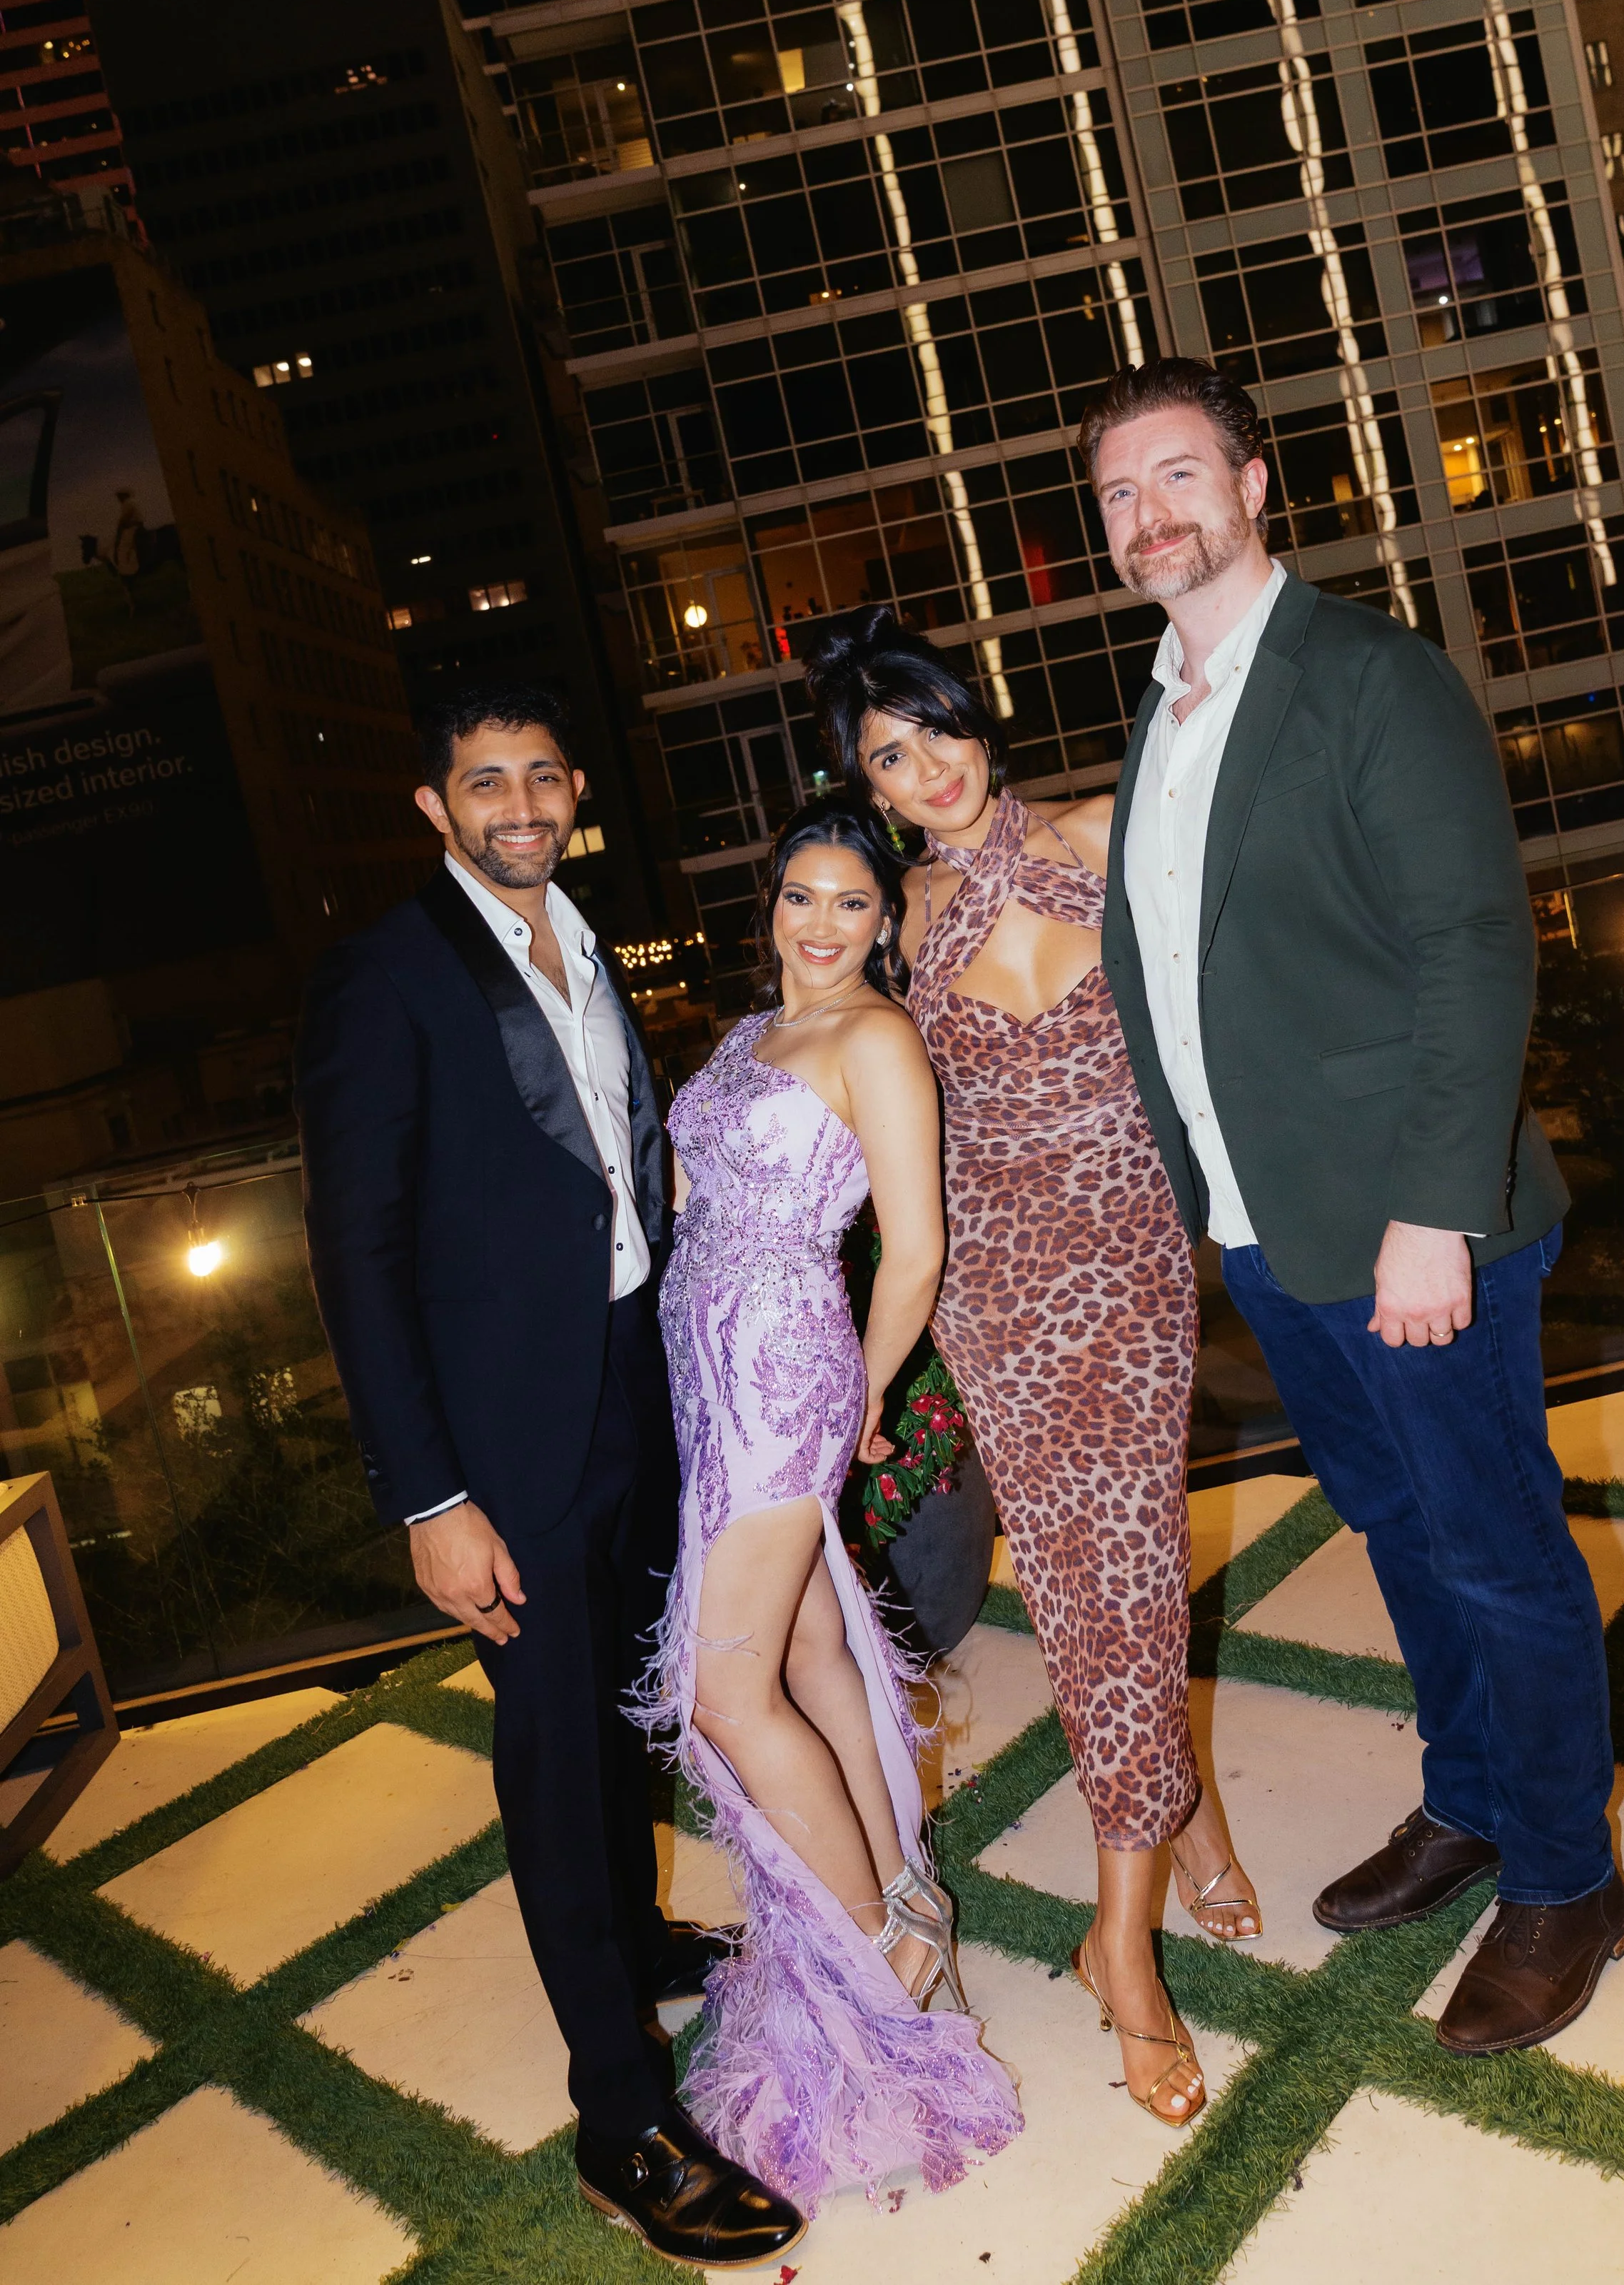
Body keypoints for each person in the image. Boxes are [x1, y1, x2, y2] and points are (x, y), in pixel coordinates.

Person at [1090, 354, 1624, 2055]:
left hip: (1411, 1226)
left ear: (1253, 487)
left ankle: (1566, 1881)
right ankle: (1471, 1797)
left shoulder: (1363, 676)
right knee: (1401, 1531)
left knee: (1495, 1548)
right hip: (1268, 1225)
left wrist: (1431, 1212)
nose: (1146, 514)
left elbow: (1471, 945)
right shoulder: (1159, 716)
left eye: (1178, 475)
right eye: (1116, 493)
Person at [294, 685, 804, 2269]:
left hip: (628, 1392)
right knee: (555, 1763)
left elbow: (604, 1171)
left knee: (622, 1713)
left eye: (538, 777)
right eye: (482, 782)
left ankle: (635, 1939)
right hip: (502, 1452)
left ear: (572, 789)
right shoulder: (387, 975)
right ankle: (620, 2120)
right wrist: (428, 1499)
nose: (516, 803)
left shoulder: (584, 942)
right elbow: (357, 1255)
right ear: (434, 808)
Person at [806, 614, 1259, 2133]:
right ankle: (1124, 1943)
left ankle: (1173, 1840)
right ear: (868, 787)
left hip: (1132, 1264)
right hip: (997, 1297)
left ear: (978, 721)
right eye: (887, 756)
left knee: (1131, 1570)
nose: (923, 768)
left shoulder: (1110, 830)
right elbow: (837, 1078)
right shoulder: (893, 919)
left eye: (934, 728)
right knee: (1091, 1592)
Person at [637, 795, 1021, 2215]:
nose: (820, 923)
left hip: (783, 1369)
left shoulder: (877, 1038)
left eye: (851, 902)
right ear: (771, 905)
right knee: (802, 1654)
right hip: (702, 1362)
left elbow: (912, 1249)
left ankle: (878, 1960)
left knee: (724, 1693)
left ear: (882, 921)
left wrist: (861, 1391)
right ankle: (906, 1893)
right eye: (800, 895)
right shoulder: (750, 1033)